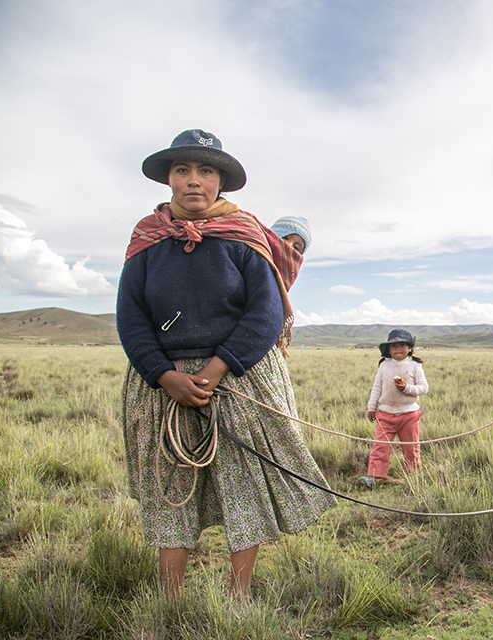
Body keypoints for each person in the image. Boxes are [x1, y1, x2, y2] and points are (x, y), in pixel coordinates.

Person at [116, 129, 336, 600]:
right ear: (169, 179)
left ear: (220, 181)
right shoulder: (146, 242)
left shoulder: (244, 236)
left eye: (205, 170)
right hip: (162, 383)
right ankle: (170, 600)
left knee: (246, 486)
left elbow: (266, 312)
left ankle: (239, 595)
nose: (194, 180)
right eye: (183, 170)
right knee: (167, 490)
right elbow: (131, 317)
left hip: (238, 377)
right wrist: (164, 374)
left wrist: (217, 369)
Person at [357, 329, 429, 490]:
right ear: (388, 350)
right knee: (380, 446)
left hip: (409, 414)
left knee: (411, 447)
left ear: (410, 348)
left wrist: (406, 388)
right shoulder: (384, 365)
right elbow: (377, 387)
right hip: (385, 414)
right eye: (394, 345)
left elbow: (424, 388)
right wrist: (372, 408)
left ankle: (412, 477)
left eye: (402, 345)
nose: (397, 348)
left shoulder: (415, 365)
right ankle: (373, 477)